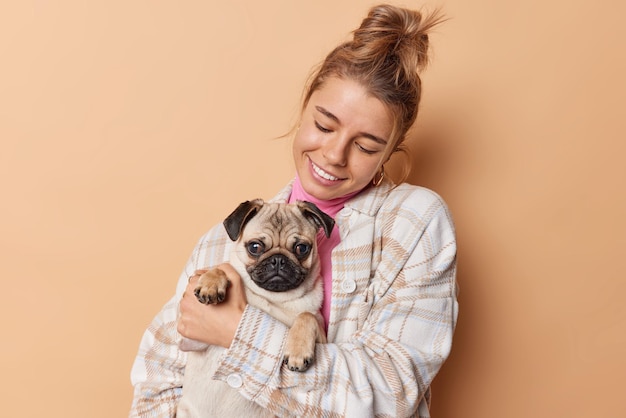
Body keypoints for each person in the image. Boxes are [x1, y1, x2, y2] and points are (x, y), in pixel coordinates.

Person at [130, 4, 458, 417]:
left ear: (391, 151)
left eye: (366, 145)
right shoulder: (226, 238)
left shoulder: (414, 223)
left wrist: (238, 331)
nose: (335, 154)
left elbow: (390, 394)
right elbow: (157, 377)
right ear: (303, 109)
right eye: (324, 125)